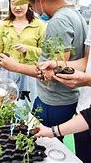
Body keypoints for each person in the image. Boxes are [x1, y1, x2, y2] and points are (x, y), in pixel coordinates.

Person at [0, 0, 87, 142]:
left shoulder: (58, 21)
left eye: (31, 5)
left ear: (39, 1)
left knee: (43, 142)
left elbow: (52, 72)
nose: (33, 9)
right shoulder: (75, 15)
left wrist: (14, 66)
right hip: (66, 98)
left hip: (53, 100)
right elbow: (67, 64)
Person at [35, 16, 91, 163]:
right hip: (84, 111)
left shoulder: (59, 21)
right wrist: (57, 64)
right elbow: (86, 61)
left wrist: (87, 80)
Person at [0, 0, 46, 105]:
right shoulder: (4, 24)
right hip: (7, 75)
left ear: (28, 3)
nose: (17, 7)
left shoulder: (39, 25)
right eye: (13, 3)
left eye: (20, 3)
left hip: (30, 74)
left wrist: (28, 49)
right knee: (6, 105)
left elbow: (45, 53)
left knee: (28, 107)